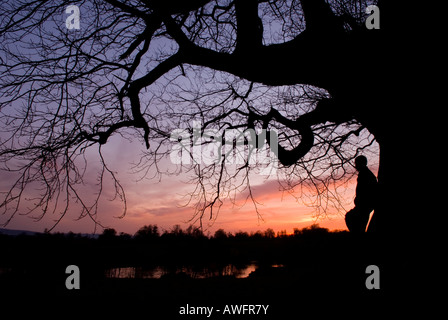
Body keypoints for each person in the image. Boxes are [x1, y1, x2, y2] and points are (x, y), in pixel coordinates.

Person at [345, 156, 378, 233]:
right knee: (353, 218)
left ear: (362, 163)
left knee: (351, 217)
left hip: (365, 204)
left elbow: (364, 191)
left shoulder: (365, 174)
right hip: (365, 204)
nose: (355, 166)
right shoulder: (365, 173)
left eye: (357, 163)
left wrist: (359, 201)